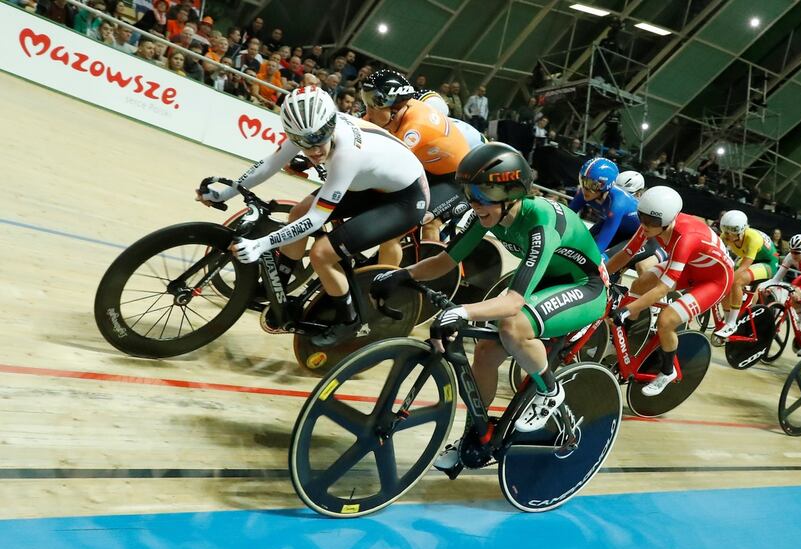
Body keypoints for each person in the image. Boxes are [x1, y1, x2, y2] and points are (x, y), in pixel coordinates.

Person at [370, 143, 608, 476]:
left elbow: (513, 303)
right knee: (484, 352)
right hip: (547, 282)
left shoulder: (541, 220)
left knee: (513, 327)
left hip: (586, 287)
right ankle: (478, 436)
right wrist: (402, 274)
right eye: (469, 192)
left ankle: (550, 391)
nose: (473, 202)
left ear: (511, 192)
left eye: (482, 193)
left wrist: (462, 312)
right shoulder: (486, 214)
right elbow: (445, 260)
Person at [195, 86, 428, 347]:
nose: (313, 149)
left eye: (320, 138)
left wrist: (261, 244)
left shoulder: (347, 153)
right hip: (369, 183)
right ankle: (279, 285)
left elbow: (317, 219)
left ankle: (348, 319)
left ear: (330, 125)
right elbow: (270, 164)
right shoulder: (308, 129)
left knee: (322, 254)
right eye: (303, 142)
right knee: (297, 213)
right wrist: (226, 193)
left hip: (404, 198)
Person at [605, 187, 734, 396]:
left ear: (666, 221)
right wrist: (600, 273)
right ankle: (624, 341)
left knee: (666, 320)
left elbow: (663, 288)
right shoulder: (651, 223)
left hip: (715, 280)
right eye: (641, 218)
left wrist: (626, 310)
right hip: (692, 266)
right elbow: (627, 253)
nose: (645, 225)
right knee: (639, 285)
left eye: (651, 222)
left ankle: (667, 371)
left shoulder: (686, 238)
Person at [360, 70, 474, 254]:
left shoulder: (415, 128)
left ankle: (430, 272)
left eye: (373, 104)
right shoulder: (392, 111)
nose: (368, 110)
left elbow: (384, 162)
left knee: (421, 224)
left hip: (456, 179)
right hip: (431, 168)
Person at [568, 158, 661, 273]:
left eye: (592, 184)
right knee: (579, 248)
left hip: (643, 236)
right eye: (583, 181)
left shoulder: (618, 203)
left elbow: (600, 247)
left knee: (602, 262)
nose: (586, 189)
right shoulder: (584, 192)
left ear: (606, 185)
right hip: (618, 228)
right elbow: (566, 219)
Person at [714, 210, 780, 338]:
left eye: (731, 231)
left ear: (741, 231)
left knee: (736, 281)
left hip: (768, 262)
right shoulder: (725, 236)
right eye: (724, 230)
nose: (727, 235)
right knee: (725, 283)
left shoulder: (752, 238)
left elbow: (744, 267)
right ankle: (728, 321)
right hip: (749, 257)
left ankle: (732, 323)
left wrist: (730, 279)